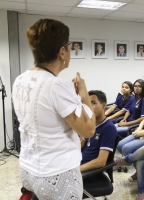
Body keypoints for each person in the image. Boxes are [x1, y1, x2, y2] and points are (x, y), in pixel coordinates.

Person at [12, 19, 95, 200]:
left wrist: (71, 100)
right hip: (56, 174)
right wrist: (84, 94)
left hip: (28, 167)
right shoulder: (57, 85)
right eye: (69, 46)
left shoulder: (20, 79)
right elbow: (88, 130)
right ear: (62, 51)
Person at [80, 90, 117, 177]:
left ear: (103, 105)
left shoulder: (108, 128)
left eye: (93, 103)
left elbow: (101, 161)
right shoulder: (91, 124)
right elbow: (81, 143)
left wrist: (76, 170)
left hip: (87, 172)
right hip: (78, 162)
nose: (89, 107)